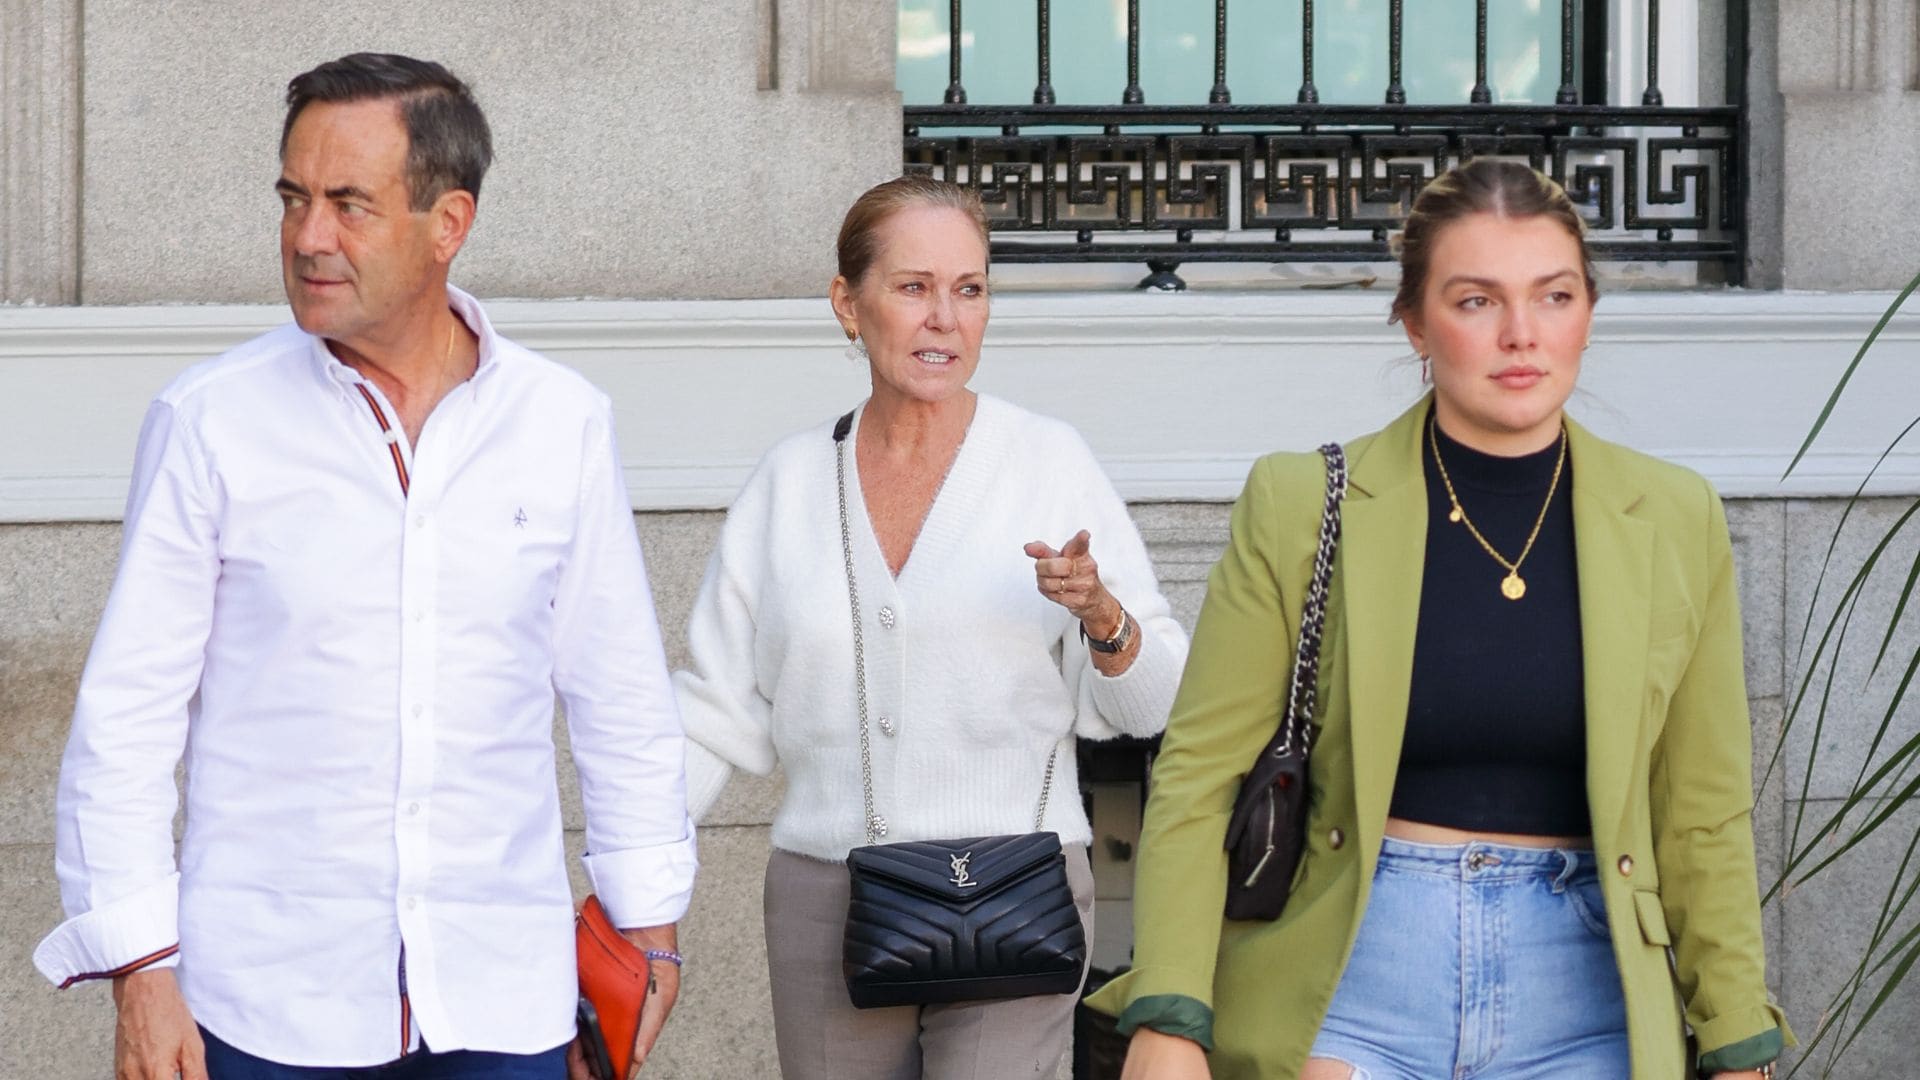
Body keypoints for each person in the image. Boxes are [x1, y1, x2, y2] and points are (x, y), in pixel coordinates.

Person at [32, 53, 695, 1080]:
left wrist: (650, 928)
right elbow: (125, 720)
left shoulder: (562, 424)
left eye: (349, 205)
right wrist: (141, 970)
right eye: (294, 199)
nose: (308, 238)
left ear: (449, 224)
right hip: (262, 1010)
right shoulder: (211, 423)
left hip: (500, 998)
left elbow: (619, 697)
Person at [1089, 159, 1792, 1079]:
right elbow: (1201, 775)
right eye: (1475, 302)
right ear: (1415, 322)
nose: (1520, 335)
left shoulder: (1674, 517)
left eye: (1554, 296)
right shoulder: (1302, 501)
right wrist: (1171, 1014)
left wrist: (1738, 1035)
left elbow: (1702, 811)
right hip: (1350, 984)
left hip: (1589, 996)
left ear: (1587, 312)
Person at [672, 174, 1189, 1079]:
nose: (945, 318)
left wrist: (1104, 619)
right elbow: (712, 713)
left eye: (971, 288)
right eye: (914, 287)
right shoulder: (788, 484)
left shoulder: (1047, 460)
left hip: (1016, 887)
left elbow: (1157, 700)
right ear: (848, 303)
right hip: (825, 901)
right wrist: (624, 869)